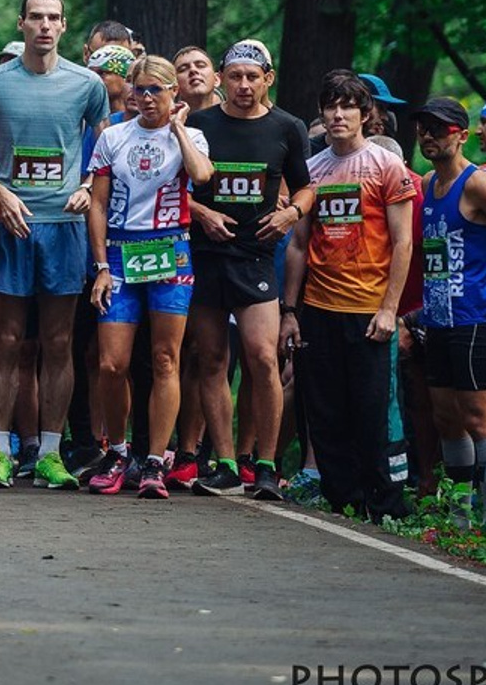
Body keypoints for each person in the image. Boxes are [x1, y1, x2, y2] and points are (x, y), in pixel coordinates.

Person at [0, 0, 109, 490]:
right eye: (36, 17)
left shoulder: (87, 84)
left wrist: (89, 186)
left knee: (59, 339)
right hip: (12, 224)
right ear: (21, 22)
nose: (45, 26)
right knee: (5, 338)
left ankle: (50, 451)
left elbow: (106, 148)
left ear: (64, 26)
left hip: (64, 227)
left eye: (54, 18)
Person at [282, 69, 415, 522]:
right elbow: (298, 245)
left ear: (365, 114)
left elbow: (404, 243)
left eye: (348, 107)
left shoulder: (386, 166)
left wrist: (389, 309)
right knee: (324, 411)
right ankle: (342, 500)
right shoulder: (312, 171)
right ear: (321, 112)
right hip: (319, 309)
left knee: (371, 412)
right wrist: (289, 311)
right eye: (331, 106)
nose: (338, 115)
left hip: (368, 311)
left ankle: (385, 505)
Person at [187, 40, 314, 500]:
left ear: (268, 79)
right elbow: (167, 188)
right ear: (221, 79)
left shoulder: (287, 127)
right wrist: (201, 213)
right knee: (212, 360)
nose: (244, 85)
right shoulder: (199, 124)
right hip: (205, 254)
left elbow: (305, 189)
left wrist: (289, 215)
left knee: (263, 358)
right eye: (235, 76)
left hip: (255, 256)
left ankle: (264, 464)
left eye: (252, 77)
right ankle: (222, 462)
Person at [84, 56, 213, 498]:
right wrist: (100, 265)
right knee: (111, 363)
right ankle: (119, 450)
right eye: (140, 90)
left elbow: (202, 175)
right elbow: (97, 205)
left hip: (169, 249)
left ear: (173, 93)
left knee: (165, 359)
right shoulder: (113, 136)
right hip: (120, 252)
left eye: (156, 90)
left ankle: (157, 459)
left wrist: (177, 129)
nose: (146, 98)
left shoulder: (191, 136)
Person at [412, 98, 486, 516]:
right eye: (423, 128)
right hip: (437, 317)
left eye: (438, 129)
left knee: (477, 417)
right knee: (445, 416)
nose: (428, 136)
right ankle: (462, 508)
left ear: (459, 135)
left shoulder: (476, 184)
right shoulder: (426, 184)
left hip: (474, 316)